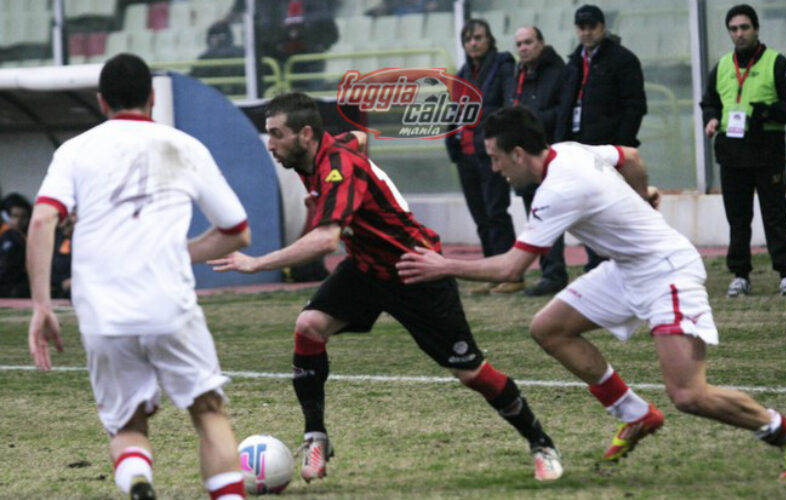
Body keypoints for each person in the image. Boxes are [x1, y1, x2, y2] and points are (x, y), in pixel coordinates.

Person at [397, 106, 786, 480]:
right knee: (549, 327)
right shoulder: (568, 150)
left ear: (518, 154)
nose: (494, 167)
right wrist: (642, 197)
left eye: (495, 157)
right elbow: (630, 157)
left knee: (689, 394)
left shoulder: (557, 190)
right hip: (627, 269)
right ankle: (635, 413)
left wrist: (443, 265)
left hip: (666, 272)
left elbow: (511, 268)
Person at [209, 92, 563, 483]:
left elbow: (326, 241)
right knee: (309, 325)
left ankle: (541, 443)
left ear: (305, 134)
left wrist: (256, 262)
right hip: (366, 268)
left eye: (276, 134)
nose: (270, 144)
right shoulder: (321, 151)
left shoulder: (336, 168)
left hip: (416, 270)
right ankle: (316, 437)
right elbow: (357, 138)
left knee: (471, 372)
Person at [27, 53, 252, 500]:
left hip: (103, 314)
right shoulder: (185, 147)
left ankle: (139, 482)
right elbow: (237, 232)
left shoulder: (74, 151)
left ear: (100, 101)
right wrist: (178, 253)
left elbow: (41, 221)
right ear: (152, 97)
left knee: (127, 425)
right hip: (170, 305)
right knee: (208, 412)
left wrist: (41, 306)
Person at [700, 4, 786, 297]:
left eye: (744, 27)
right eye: (733, 29)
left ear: (756, 29)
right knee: (737, 217)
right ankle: (740, 275)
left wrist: (768, 112)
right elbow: (709, 102)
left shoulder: (777, 63)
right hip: (731, 151)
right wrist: (711, 119)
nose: (739, 34)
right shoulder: (721, 66)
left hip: (766, 150)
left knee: (774, 213)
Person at [558, 4, 647, 274]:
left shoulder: (622, 59)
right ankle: (597, 262)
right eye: (581, 27)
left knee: (613, 208)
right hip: (579, 148)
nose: (586, 32)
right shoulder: (574, 61)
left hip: (608, 149)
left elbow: (635, 106)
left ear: (602, 27)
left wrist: (619, 146)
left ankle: (619, 262)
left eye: (591, 27)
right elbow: (566, 106)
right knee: (588, 208)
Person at [445, 19, 521, 294]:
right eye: (468, 39)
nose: (473, 43)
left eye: (478, 37)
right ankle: (492, 272)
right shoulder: (463, 73)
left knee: (495, 212)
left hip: (491, 154)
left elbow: (507, 106)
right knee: (481, 217)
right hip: (465, 156)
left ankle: (512, 274)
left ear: (489, 39)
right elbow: (452, 114)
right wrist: (450, 146)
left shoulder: (502, 65)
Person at [508, 25, 571, 296]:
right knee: (536, 216)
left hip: (550, 154)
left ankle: (555, 273)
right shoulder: (518, 74)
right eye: (519, 43)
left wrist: (532, 121)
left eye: (528, 42)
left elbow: (562, 113)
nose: (523, 48)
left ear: (541, 43)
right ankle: (549, 271)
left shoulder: (558, 72)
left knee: (550, 214)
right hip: (524, 156)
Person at [190, 20, 246, 96]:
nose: (215, 39)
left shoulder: (206, 57)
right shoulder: (205, 57)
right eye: (213, 36)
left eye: (218, 36)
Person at [0, 193, 32, 298]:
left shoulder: (32, 237)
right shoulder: (5, 237)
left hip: (21, 283)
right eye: (14, 216)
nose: (18, 221)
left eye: (23, 217)